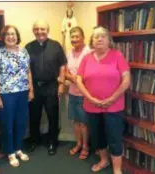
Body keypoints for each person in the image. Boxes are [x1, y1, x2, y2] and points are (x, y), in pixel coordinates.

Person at [77, 26, 130, 174]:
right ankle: (104, 160)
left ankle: (117, 169)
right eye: (96, 36)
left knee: (114, 137)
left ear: (109, 40)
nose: (99, 39)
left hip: (114, 106)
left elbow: (126, 80)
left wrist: (112, 98)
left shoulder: (117, 55)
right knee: (98, 136)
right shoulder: (87, 58)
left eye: (103, 36)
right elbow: (79, 80)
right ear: (92, 40)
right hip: (91, 106)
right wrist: (90, 98)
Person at [0, 25, 34, 167]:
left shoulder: (24, 51)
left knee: (21, 123)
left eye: (14, 34)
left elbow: (28, 72)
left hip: (23, 92)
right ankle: (10, 152)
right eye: (8, 34)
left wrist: (31, 89)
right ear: (3, 37)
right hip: (6, 94)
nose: (11, 36)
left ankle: (18, 148)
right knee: (7, 124)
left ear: (17, 36)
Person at [25, 20, 67, 155]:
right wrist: (30, 89)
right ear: (33, 31)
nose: (39, 32)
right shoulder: (28, 47)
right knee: (34, 116)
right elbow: (26, 69)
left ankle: (52, 142)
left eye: (42, 29)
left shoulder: (56, 46)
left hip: (51, 87)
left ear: (47, 30)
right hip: (35, 87)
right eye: (36, 29)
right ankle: (34, 140)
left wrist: (61, 85)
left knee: (53, 116)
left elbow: (62, 65)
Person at [65, 26, 90, 160]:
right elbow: (66, 72)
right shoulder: (69, 52)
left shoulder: (89, 52)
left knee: (84, 122)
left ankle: (86, 146)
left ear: (83, 37)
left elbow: (91, 73)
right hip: (72, 92)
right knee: (75, 121)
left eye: (77, 36)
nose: (74, 39)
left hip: (84, 94)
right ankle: (79, 144)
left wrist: (77, 80)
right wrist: (73, 79)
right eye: (72, 37)